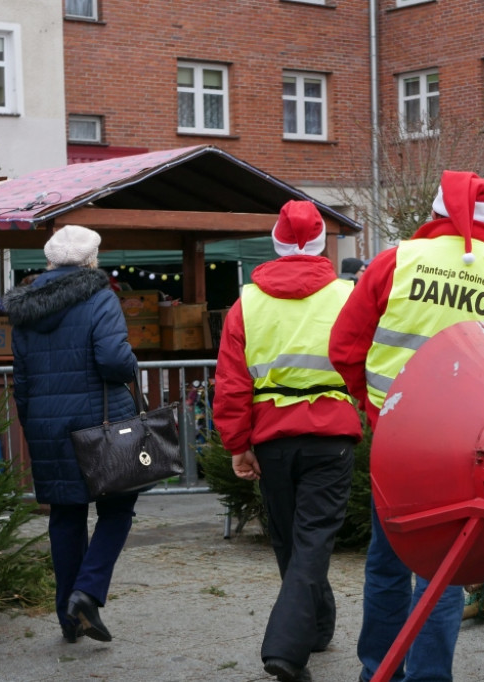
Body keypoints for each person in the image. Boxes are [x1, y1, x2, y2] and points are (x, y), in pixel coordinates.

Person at [329, 170, 484, 682]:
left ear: (434, 214)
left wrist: (374, 409)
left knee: (387, 560)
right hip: (471, 451)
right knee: (445, 567)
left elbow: (344, 347)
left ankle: (378, 670)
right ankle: (430, 675)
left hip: (397, 443)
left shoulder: (396, 262)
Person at [214, 200, 363, 682]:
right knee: (312, 538)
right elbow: (368, 363)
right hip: (331, 434)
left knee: (288, 537)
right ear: (322, 243)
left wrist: (238, 444)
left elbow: (232, 383)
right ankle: (288, 647)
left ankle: (314, 630)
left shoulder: (247, 303)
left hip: (272, 437)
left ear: (275, 243)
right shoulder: (347, 296)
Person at [3, 224, 140, 645]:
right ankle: (88, 591)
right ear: (91, 260)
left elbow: (21, 380)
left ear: (49, 261)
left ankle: (69, 620)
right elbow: (115, 360)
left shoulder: (25, 309)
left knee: (66, 515)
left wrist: (32, 423)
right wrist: (132, 365)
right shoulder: (100, 298)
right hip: (99, 423)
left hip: (47, 424)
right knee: (118, 505)